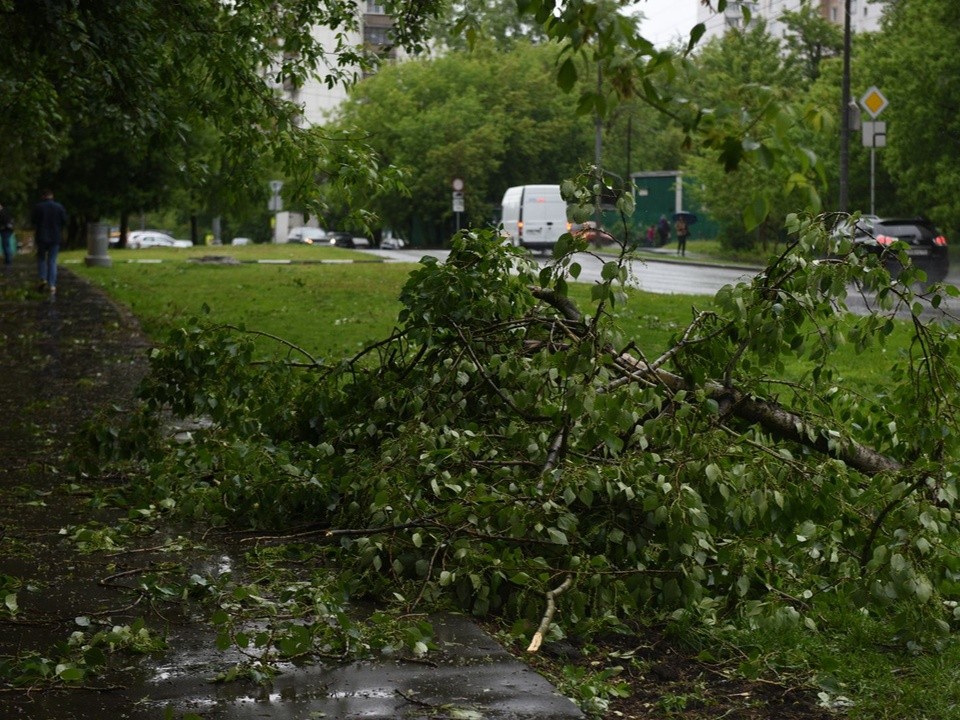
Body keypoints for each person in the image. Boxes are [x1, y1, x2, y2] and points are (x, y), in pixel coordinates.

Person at [31, 189, 67, 295]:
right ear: (52, 196)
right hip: (55, 237)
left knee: (41, 259)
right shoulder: (59, 207)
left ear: (43, 196)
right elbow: (64, 221)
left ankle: (43, 278)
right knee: (52, 260)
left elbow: (33, 221)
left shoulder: (38, 207)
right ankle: (52, 285)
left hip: (41, 237)